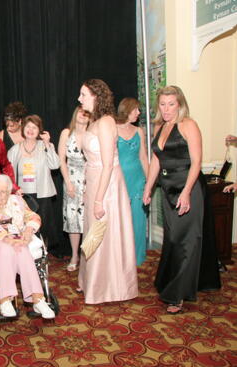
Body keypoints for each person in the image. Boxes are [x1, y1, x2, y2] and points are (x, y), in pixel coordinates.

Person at [143, 86, 221, 314]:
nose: (166, 109)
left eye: (171, 104)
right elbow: (157, 160)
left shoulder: (189, 125)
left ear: (180, 104)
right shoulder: (160, 126)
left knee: (187, 242)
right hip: (167, 191)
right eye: (163, 104)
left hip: (188, 188)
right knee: (174, 240)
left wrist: (187, 192)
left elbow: (197, 162)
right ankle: (172, 283)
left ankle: (177, 295)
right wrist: (149, 187)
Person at [77, 79, 138, 304]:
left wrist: (99, 199)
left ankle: (110, 286)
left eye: (83, 94)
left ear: (95, 96)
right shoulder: (94, 122)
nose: (79, 99)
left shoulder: (106, 122)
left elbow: (108, 164)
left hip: (107, 185)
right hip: (94, 182)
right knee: (94, 233)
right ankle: (93, 281)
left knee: (106, 233)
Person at [0, 174, 55, 319]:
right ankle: (6, 300)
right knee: (7, 248)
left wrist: (29, 230)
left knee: (21, 248)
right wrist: (8, 239)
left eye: (3, 192)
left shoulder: (17, 200)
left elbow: (33, 216)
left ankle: (37, 299)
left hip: (18, 240)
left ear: (9, 191)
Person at [7, 114, 59, 253]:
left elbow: (55, 165)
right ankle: (26, 255)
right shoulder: (14, 150)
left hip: (43, 194)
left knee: (42, 228)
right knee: (24, 227)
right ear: (23, 128)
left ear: (39, 131)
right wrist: (13, 189)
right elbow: (8, 173)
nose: (30, 130)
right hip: (22, 195)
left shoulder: (45, 146)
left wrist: (48, 144)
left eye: (34, 127)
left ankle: (42, 255)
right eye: (28, 126)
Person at [116, 98, 149, 266]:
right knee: (119, 222)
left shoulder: (139, 131)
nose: (138, 113)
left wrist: (149, 183)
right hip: (119, 180)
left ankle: (136, 258)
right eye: (136, 109)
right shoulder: (112, 129)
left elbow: (143, 157)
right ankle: (120, 258)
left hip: (138, 180)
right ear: (127, 110)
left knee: (138, 219)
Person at [58, 106, 89, 272]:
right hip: (70, 181)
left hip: (90, 180)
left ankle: (87, 257)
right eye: (80, 112)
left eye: (86, 113)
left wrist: (88, 186)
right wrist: (68, 183)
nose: (83, 116)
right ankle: (74, 255)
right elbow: (61, 160)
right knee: (72, 221)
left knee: (87, 220)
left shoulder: (93, 135)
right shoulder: (66, 133)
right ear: (75, 114)